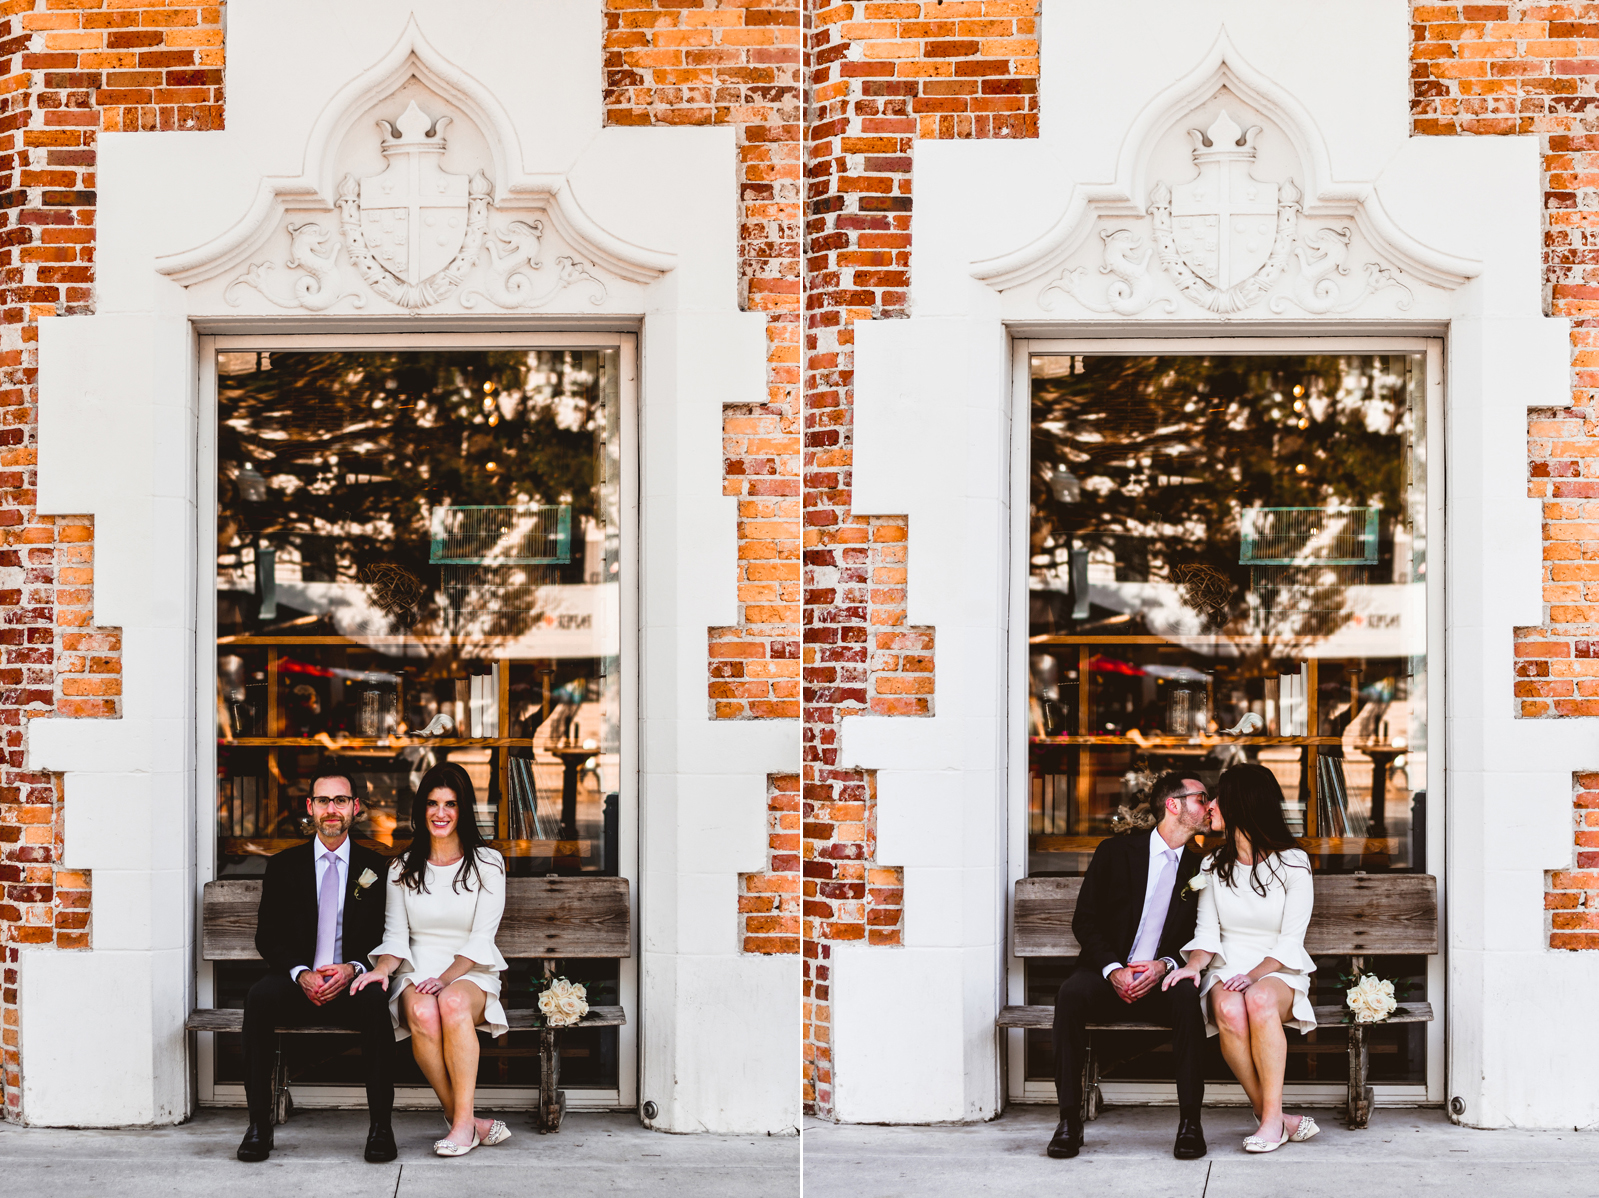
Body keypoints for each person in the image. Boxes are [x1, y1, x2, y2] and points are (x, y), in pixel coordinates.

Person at [1048, 769, 1212, 1162]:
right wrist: (1113, 970)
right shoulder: (1115, 852)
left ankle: (1191, 1122)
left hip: (1162, 977)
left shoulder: (1201, 867)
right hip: (1107, 974)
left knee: (1188, 997)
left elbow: (1198, 932)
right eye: (1202, 798)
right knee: (1069, 996)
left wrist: (1164, 966)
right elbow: (1084, 920)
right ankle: (1069, 1121)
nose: (1209, 806)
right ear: (1174, 805)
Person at [238, 765, 396, 1164]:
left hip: (351, 980)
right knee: (257, 999)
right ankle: (258, 1125)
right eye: (323, 800)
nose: (331, 809)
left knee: (377, 1002)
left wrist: (354, 968)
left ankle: (380, 1127)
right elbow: (267, 936)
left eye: (340, 800)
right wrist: (301, 973)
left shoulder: (377, 868)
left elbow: (385, 933)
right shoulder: (283, 866)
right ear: (310, 807)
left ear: (355, 808)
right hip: (298, 980)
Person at [352, 762, 512, 1157]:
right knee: (424, 1013)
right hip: (417, 969)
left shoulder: (489, 863)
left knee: (452, 1002)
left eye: (451, 804)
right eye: (433, 803)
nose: (441, 813)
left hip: (470, 970)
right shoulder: (401, 869)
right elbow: (395, 937)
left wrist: (446, 978)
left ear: (464, 810)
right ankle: (467, 1121)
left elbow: (481, 938)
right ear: (421, 809)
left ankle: (460, 1126)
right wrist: (381, 970)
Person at [1163, 761, 1319, 1154]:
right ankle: (1274, 1117)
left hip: (1278, 967)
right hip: (1227, 966)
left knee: (1260, 999)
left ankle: (1269, 1120)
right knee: (1231, 1011)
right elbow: (1207, 932)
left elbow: (1291, 940)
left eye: (1218, 798)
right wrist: (1194, 966)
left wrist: (1255, 975)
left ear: (1241, 804)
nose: (1210, 805)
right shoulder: (1214, 865)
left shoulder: (1294, 864)